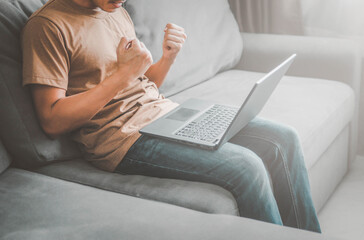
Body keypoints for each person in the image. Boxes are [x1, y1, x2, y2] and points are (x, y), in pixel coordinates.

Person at [21, 0, 321, 233]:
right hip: (122, 139)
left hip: (167, 113)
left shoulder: (115, 10)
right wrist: (124, 73)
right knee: (247, 167)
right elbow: (52, 120)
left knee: (283, 138)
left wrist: (167, 57)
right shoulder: (48, 25)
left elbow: (142, 84)